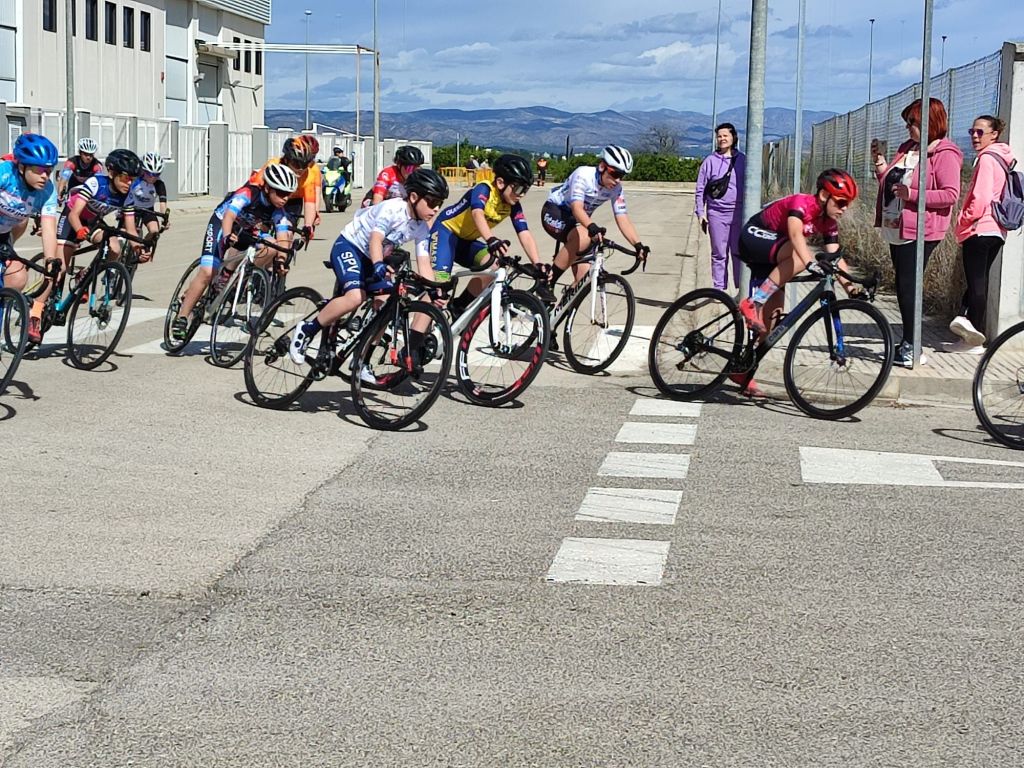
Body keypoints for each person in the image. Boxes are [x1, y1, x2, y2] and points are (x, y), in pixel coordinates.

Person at [288, 168, 450, 373]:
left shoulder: (422, 227)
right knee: (355, 297)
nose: (436, 209)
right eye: (432, 202)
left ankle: (362, 361)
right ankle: (307, 330)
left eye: (440, 204)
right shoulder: (392, 209)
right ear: (413, 197)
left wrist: (434, 289)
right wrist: (379, 264)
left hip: (372, 256)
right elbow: (375, 240)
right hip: (350, 246)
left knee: (387, 304)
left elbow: (424, 262)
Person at [735, 169, 862, 398]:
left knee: (771, 324)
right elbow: (795, 236)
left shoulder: (828, 222)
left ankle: (743, 369)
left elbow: (835, 257)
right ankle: (753, 303)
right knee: (799, 258)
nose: (844, 209)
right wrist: (809, 263)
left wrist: (851, 288)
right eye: (841, 202)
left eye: (847, 204)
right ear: (824, 195)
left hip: (774, 253)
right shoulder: (801, 204)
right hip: (754, 237)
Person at [872, 97, 963, 367]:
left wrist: (911, 194)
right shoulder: (907, 149)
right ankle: (908, 342)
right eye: (907, 122)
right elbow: (891, 184)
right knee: (903, 286)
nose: (908, 127)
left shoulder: (945, 154)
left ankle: (914, 345)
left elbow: (950, 194)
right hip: (897, 227)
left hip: (921, 230)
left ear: (928, 123)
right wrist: (880, 164)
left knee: (909, 287)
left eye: (912, 122)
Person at [170, 163, 299, 341]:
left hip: (246, 229)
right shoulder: (248, 193)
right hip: (222, 224)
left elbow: (282, 237)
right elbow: (229, 215)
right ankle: (182, 317)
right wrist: (227, 235)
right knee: (208, 272)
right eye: (281, 193)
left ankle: (239, 277)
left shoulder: (279, 211)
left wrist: (282, 260)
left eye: (288, 194)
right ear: (268, 188)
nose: (285, 198)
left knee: (272, 246)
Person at [428, 153, 553, 316]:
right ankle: (418, 330)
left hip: (465, 241)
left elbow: (524, 233)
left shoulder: (513, 204)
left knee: (496, 265)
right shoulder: (484, 189)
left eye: (526, 190)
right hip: (445, 233)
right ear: (500, 183)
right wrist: (491, 239)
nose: (521, 194)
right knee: (439, 292)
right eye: (519, 188)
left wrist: (537, 264)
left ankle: (459, 305)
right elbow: (477, 213)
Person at [43, 149, 143, 342]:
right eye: (125, 178)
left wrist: (139, 248)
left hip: (92, 222)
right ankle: (43, 305)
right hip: (71, 219)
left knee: (114, 248)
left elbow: (131, 229)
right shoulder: (96, 183)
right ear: (111, 173)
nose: (129, 183)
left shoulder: (128, 196)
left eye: (133, 179)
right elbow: (74, 214)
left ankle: (85, 274)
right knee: (60, 269)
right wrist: (79, 231)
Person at [540, 145, 649, 295]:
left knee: (586, 279)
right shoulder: (583, 174)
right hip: (556, 211)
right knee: (585, 236)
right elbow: (577, 208)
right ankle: (547, 283)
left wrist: (637, 244)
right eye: (615, 173)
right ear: (602, 166)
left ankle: (566, 305)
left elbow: (622, 217)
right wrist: (591, 226)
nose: (617, 180)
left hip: (579, 222)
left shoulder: (616, 189)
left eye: (622, 175)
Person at [947, 115, 1015, 354]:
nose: (974, 137)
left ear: (994, 134)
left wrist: (963, 219)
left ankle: (973, 340)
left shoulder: (986, 158)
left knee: (976, 284)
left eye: (980, 132)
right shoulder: (1002, 158)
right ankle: (969, 331)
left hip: (980, 228)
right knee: (979, 281)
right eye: (971, 132)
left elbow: (981, 197)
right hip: (997, 231)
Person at [0, 134, 60, 343]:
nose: (45, 176)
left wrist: (51, 260)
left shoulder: (47, 191)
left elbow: (49, 228)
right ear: (22, 166)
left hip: (3, 235)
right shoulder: (4, 173)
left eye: (49, 171)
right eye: (40, 170)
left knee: (17, 278)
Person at [694, 122, 746, 292]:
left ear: (733, 137)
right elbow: (700, 188)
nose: (722, 139)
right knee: (719, 253)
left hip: (739, 213)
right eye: (719, 136)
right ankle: (719, 290)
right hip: (716, 213)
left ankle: (740, 289)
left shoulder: (743, 160)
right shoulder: (709, 161)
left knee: (738, 253)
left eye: (725, 135)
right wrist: (700, 212)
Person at [249, 135, 322, 235]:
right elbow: (254, 188)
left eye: (305, 165)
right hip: (271, 198)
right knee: (259, 230)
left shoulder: (311, 173)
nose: (300, 169)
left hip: (293, 201)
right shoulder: (273, 164)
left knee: (288, 232)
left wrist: (308, 225)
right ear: (287, 160)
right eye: (296, 164)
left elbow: (311, 200)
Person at [125, 151, 169, 262]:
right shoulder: (135, 179)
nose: (153, 177)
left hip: (147, 210)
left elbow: (163, 204)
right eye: (150, 174)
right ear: (143, 170)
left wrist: (165, 219)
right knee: (125, 232)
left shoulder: (159, 184)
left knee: (155, 231)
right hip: (131, 208)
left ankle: (144, 246)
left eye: (157, 174)